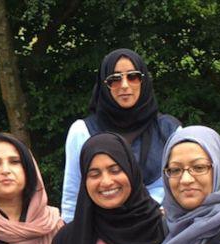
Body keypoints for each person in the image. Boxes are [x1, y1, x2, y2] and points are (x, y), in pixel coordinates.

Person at [61, 48, 181, 222]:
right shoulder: (83, 131)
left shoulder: (169, 130)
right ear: (104, 84)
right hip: (102, 231)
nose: (124, 85)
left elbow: (180, 186)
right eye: (114, 79)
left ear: (143, 81)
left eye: (133, 76)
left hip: (161, 231)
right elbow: (72, 196)